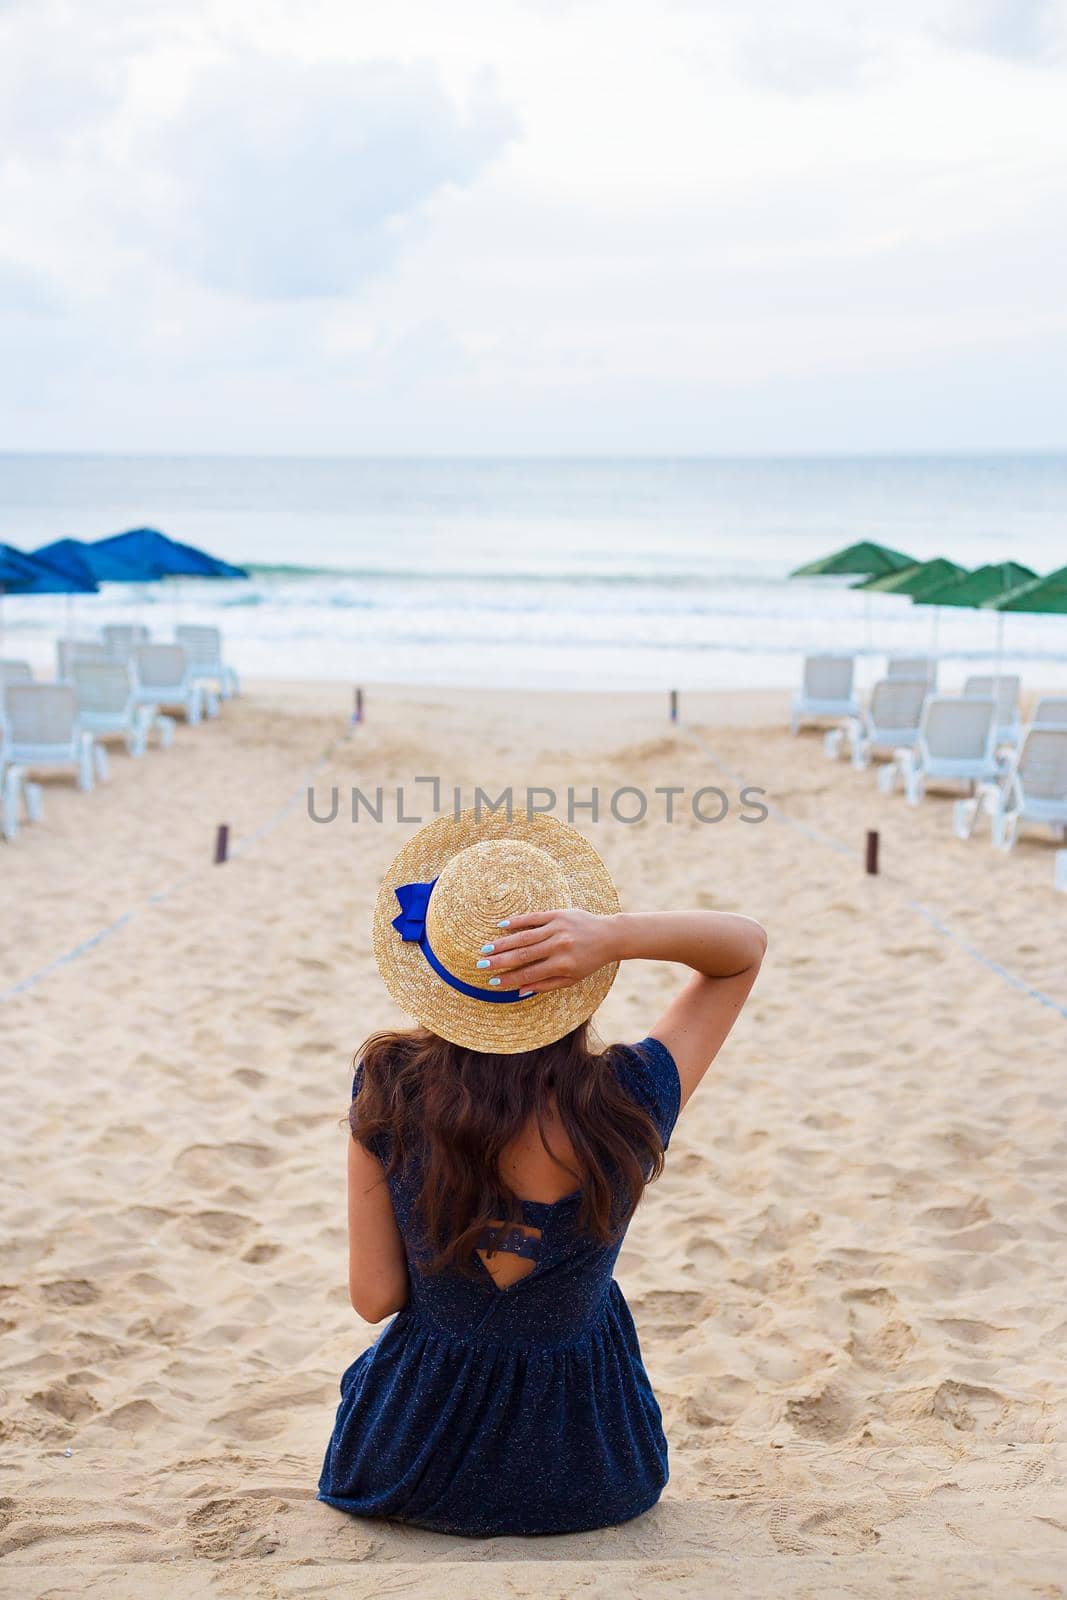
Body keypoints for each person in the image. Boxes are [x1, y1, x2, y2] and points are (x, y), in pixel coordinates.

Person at [318, 808, 766, 1537]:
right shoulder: (632, 1094)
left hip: (408, 1465)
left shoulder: (389, 1083)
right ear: (579, 974)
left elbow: (375, 1298)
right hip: (590, 1472)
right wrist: (615, 934)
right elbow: (743, 947)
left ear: (438, 978)